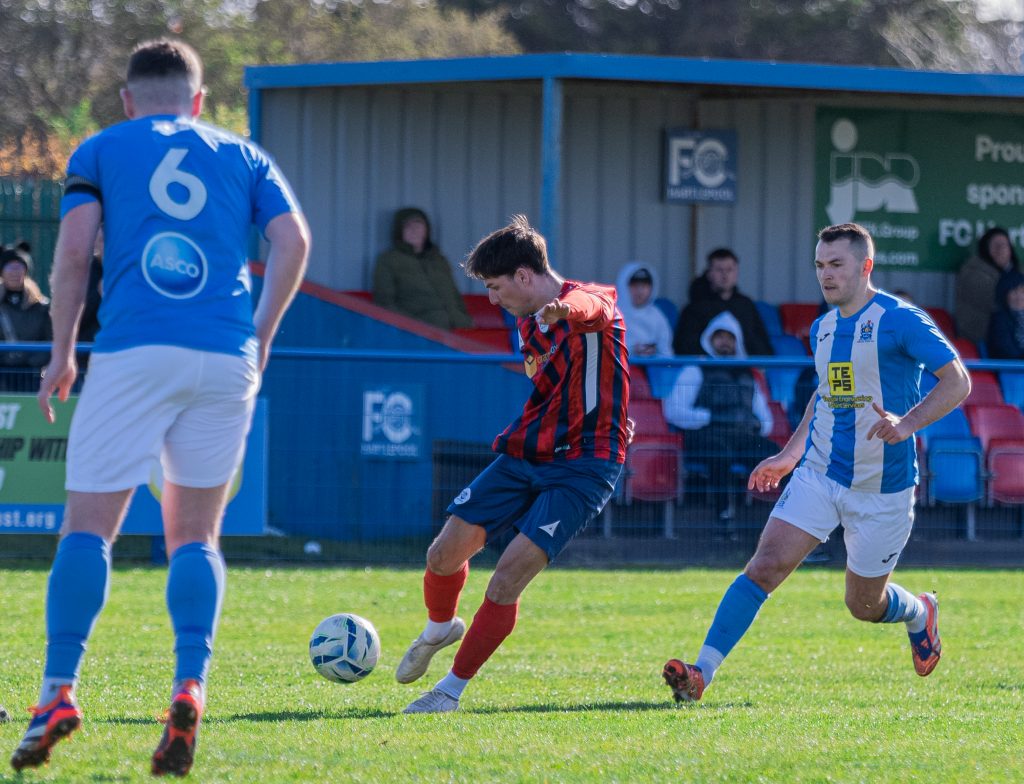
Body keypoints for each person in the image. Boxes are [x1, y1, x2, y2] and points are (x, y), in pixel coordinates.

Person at [11, 39, 309, 776]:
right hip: (225, 354)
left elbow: (75, 255)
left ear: (128, 101)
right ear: (199, 100)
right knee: (197, 537)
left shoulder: (103, 148)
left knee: (88, 528)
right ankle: (188, 685)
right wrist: (261, 335)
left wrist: (60, 353)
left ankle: (57, 693)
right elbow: (293, 239)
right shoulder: (243, 154)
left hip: (137, 348)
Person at [662, 222, 971, 704]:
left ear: (865, 267)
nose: (825, 275)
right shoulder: (823, 327)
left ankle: (918, 612)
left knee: (863, 605)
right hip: (821, 474)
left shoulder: (901, 319)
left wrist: (906, 424)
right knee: (764, 568)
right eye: (819, 266)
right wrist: (789, 456)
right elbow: (827, 396)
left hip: (882, 491)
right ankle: (702, 671)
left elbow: (957, 382)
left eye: (836, 265)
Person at [396, 215, 629, 714]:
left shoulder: (593, 301)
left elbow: (594, 307)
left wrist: (564, 308)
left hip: (584, 465)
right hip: (527, 452)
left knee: (506, 577)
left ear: (525, 276)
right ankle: (440, 628)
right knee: (443, 554)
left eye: (496, 286)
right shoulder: (524, 321)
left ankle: (449, 692)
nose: (491, 299)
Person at [661, 311, 777, 526]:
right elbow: (674, 410)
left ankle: (787, 522)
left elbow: (766, 419)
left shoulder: (748, 374)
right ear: (710, 339)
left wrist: (753, 425)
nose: (725, 342)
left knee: (776, 456)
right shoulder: (695, 369)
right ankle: (723, 516)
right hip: (707, 435)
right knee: (719, 454)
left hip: (742, 436)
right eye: (719, 336)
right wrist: (709, 417)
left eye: (730, 337)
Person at [373, 207, 473, 330]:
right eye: (408, 227)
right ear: (399, 231)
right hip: (420, 333)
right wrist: (413, 326)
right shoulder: (388, 260)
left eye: (418, 225)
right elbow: (385, 303)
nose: (414, 231)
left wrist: (465, 318)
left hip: (460, 327)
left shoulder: (439, 260)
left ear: (426, 230)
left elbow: (455, 295)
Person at [673, 248, 773, 357]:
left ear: (736, 273)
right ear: (709, 273)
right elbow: (683, 346)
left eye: (729, 270)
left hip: (743, 369)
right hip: (707, 369)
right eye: (719, 270)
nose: (725, 275)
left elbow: (762, 344)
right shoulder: (694, 307)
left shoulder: (746, 305)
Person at [615, 261, 675, 397]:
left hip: (655, 372)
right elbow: (607, 350)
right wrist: (632, 350)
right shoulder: (613, 314)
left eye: (645, 286)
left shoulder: (657, 316)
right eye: (635, 286)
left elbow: (666, 351)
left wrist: (654, 352)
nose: (640, 291)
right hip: (622, 372)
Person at [955, 227, 1019, 345]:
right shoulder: (973, 271)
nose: (1000, 250)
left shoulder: (1014, 274)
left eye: (1004, 245)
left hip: (1011, 338)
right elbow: (998, 301)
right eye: (995, 245)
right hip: (980, 338)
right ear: (985, 248)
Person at [0, 246, 52, 391]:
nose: (14, 272)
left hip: (31, 377)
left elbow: (50, 341)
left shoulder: (41, 307)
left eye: (19, 267)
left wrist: (31, 361)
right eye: (10, 267)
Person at [987, 270, 1024, 359]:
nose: (1019, 297)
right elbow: (1007, 351)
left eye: (1023, 291)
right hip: (1010, 369)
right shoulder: (999, 320)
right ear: (1004, 294)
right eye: (1014, 291)